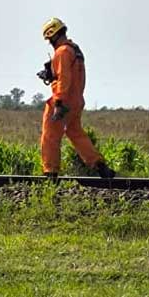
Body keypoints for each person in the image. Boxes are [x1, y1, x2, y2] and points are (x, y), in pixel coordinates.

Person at [38, 18, 114, 180]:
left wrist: (58, 102)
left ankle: (50, 173)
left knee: (50, 135)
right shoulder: (75, 50)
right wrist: (51, 75)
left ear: (53, 35)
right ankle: (100, 167)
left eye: (49, 39)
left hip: (62, 101)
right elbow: (73, 77)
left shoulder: (62, 52)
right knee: (76, 134)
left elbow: (64, 79)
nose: (49, 42)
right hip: (76, 101)